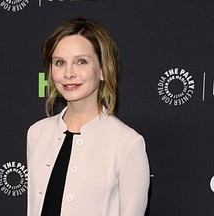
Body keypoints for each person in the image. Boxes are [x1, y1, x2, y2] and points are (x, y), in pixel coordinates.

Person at [27, 17, 150, 216]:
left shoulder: (127, 143)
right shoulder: (38, 133)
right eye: (59, 63)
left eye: (81, 62)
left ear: (102, 70)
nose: (68, 73)